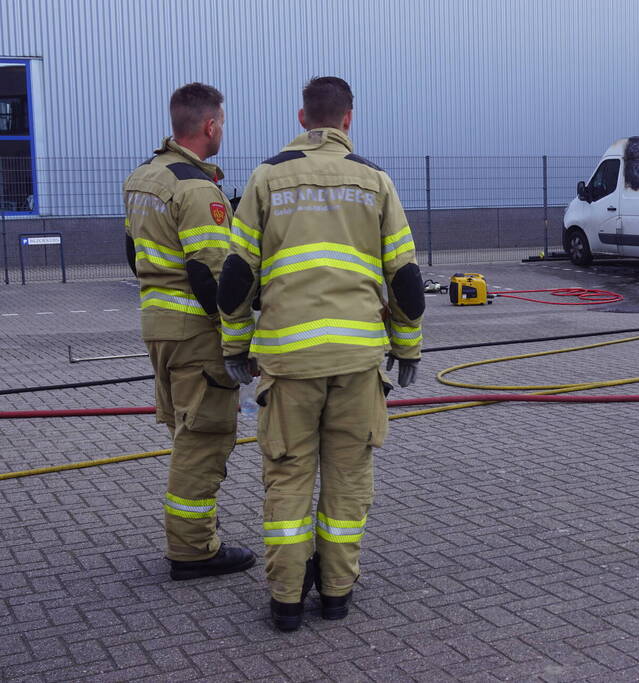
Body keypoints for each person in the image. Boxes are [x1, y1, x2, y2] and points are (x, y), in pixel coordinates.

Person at [218, 76, 425, 631]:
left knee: (288, 478)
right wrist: (408, 348)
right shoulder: (375, 181)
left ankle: (286, 599)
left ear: (302, 117)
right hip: (358, 363)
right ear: (348, 119)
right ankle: (336, 592)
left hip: (289, 364)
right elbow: (405, 277)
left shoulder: (266, 177)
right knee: (348, 479)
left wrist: (235, 345)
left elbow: (236, 275)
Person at [123, 83, 255, 580]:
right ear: (210, 125)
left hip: (158, 327)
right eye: (223, 123)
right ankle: (193, 550)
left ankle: (194, 535)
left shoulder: (144, 177)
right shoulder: (197, 189)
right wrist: (239, 340)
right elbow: (211, 275)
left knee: (186, 432)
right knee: (203, 440)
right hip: (197, 334)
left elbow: (133, 254)